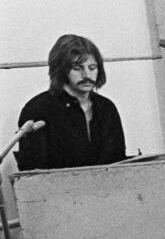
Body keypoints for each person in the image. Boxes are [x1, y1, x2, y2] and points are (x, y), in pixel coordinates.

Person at [16, 34, 127, 170]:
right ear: (61, 69)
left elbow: (119, 160)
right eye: (77, 68)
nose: (87, 75)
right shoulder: (38, 109)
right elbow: (32, 171)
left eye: (92, 67)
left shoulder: (106, 107)